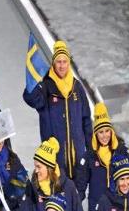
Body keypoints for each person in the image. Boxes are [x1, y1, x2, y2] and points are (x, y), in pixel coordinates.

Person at [23, 41, 92, 179]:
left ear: (68, 63)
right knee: (59, 188)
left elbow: (86, 120)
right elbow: (31, 99)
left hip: (78, 157)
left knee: (79, 189)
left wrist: (90, 149)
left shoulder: (77, 87)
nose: (62, 65)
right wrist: (34, 83)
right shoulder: (46, 86)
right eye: (58, 62)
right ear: (54, 63)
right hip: (55, 157)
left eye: (64, 61)